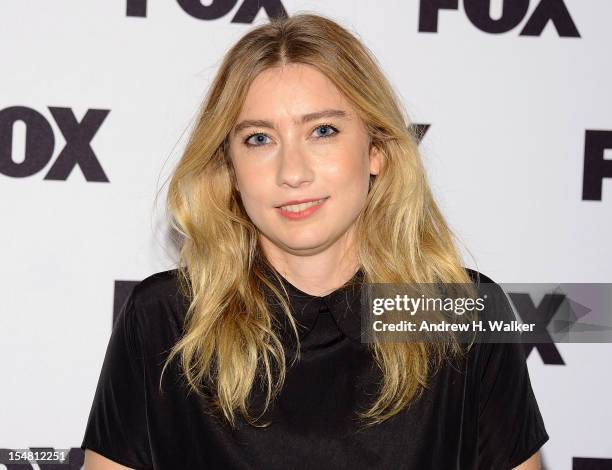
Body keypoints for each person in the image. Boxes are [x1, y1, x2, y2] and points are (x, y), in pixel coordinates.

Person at [81, 12, 549, 470]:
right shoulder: (168, 318)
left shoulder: (461, 314)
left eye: (322, 131)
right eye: (260, 139)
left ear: (376, 152)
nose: (293, 173)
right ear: (230, 170)